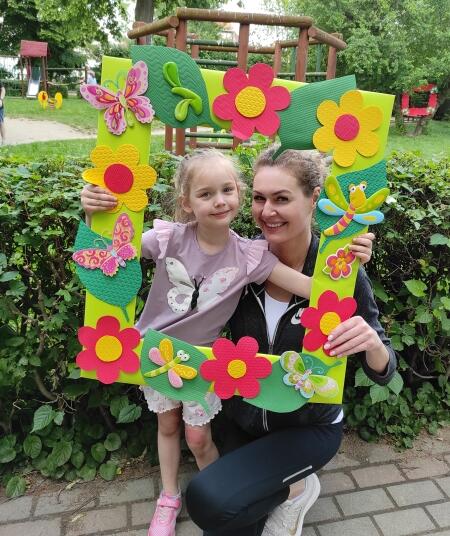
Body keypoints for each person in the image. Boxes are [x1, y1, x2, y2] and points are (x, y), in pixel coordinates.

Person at [81, 148, 373, 536]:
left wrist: (348, 260)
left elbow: (314, 289)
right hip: (154, 357)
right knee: (167, 427)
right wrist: (96, 212)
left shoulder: (250, 256)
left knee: (198, 438)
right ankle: (169, 497)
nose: (219, 201)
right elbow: (113, 254)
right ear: (186, 202)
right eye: (205, 194)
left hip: (212, 374)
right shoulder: (168, 237)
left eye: (228, 190)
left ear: (237, 192)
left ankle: (243, 488)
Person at [185, 146, 396, 536]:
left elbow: (383, 371)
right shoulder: (238, 259)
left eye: (282, 199)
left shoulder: (340, 272)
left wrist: (370, 343)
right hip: (245, 422)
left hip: (308, 429)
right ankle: (291, 487)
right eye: (260, 198)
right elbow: (177, 250)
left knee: (209, 501)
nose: (267, 212)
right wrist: (103, 212)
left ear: (314, 198)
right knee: (223, 516)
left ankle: (295, 488)